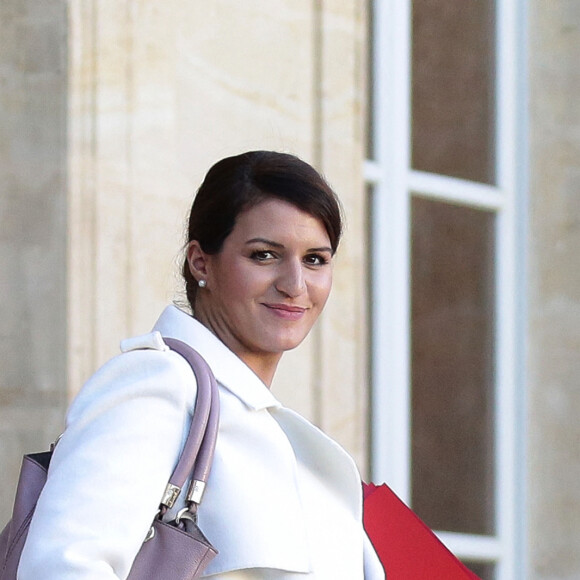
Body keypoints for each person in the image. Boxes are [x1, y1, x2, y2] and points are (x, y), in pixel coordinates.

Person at [18, 151, 385, 579]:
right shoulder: (158, 385)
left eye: (315, 259)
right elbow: (62, 567)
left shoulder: (275, 434)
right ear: (200, 262)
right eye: (265, 255)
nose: (294, 285)